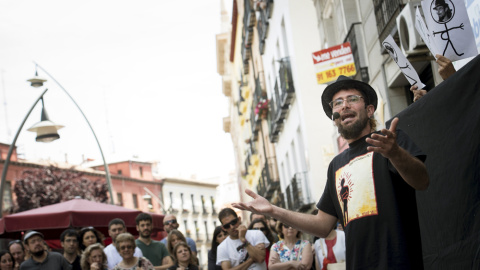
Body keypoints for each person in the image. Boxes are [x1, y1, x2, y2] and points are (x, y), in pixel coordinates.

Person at [233, 75, 429, 269]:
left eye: (352, 99)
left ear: (370, 110)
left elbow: (422, 181)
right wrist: (274, 211)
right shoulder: (336, 165)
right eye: (337, 103)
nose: (344, 106)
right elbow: (322, 224)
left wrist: (394, 153)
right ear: (335, 119)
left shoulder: (390, 141)